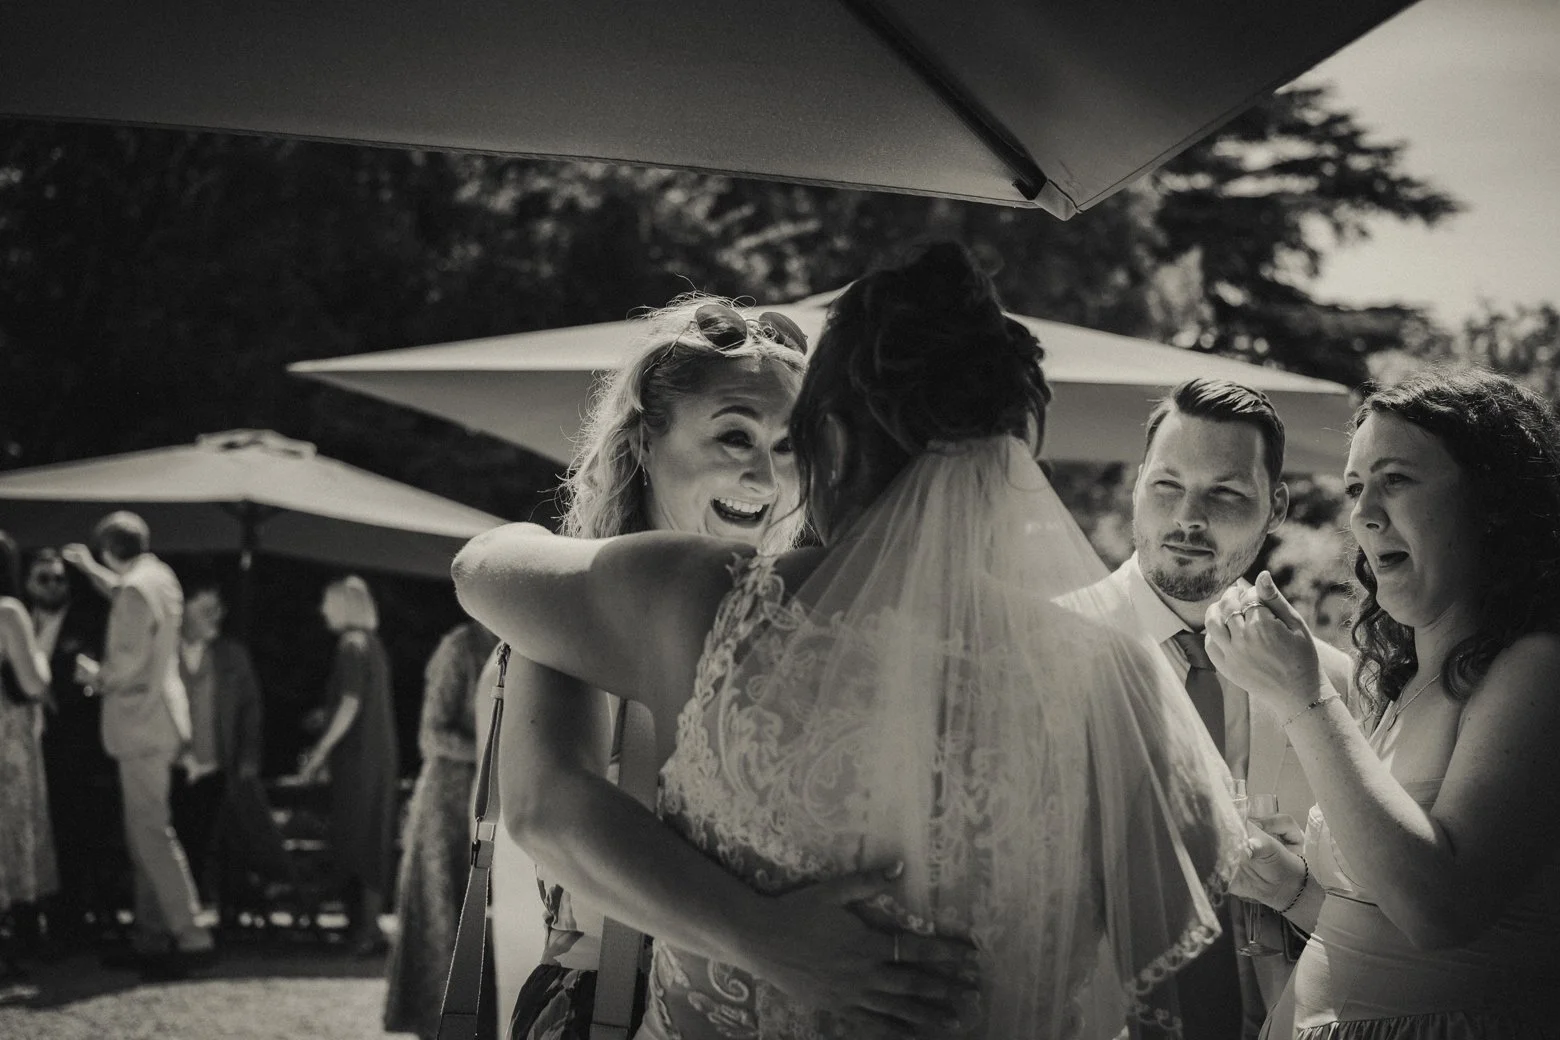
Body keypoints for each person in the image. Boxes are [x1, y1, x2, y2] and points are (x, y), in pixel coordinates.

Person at [456, 244, 1247, 1038]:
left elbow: (481, 566)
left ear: (828, 441)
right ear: (1015, 455)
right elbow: (1197, 1012)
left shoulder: (708, 605)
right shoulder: (1116, 679)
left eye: (789, 441)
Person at [1210, 368, 1560, 1038]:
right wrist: (1285, 886)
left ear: (1492, 501)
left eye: (1395, 479)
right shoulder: (1404, 686)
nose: (1363, 513)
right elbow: (1375, 932)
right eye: (1354, 488)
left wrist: (1302, 695)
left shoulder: (1538, 667)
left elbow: (1441, 911)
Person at [501, 295, 814, 1039]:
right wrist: (783, 944)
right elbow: (545, 817)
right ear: (644, 442)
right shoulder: (562, 602)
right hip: (614, 1007)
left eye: (789, 446)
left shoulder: (814, 620)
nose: (765, 477)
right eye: (734, 436)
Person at [1078, 378, 1353, 1039]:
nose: (1188, 518)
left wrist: (1296, 889)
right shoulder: (1047, 650)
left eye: (1225, 492)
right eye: (1166, 485)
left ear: (1275, 505)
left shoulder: (1331, 681)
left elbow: (1377, 926)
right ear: (1136, 485)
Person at [65, 511, 214, 975]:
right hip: (163, 720)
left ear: (109, 548)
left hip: (139, 724)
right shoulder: (159, 576)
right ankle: (150, 937)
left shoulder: (134, 589)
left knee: (150, 833)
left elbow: (126, 661)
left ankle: (191, 935)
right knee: (144, 834)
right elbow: (126, 592)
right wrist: (91, 569)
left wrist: (95, 676)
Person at [383, 618, 499, 1040]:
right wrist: (496, 753)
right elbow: (431, 735)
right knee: (443, 914)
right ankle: (438, 1024)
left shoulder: (526, 645)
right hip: (447, 804)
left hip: (490, 801)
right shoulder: (459, 647)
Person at [297, 575, 399, 956]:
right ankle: (367, 927)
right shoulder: (372, 644)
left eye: (328, 603)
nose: (323, 610)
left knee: (356, 840)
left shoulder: (350, 645)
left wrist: (319, 752)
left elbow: (351, 704)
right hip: (378, 759)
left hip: (358, 762)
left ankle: (364, 931)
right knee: (373, 838)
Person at [27, 547, 120, 951]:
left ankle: (67, 924)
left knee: (68, 831)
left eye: (60, 579)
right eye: (44, 578)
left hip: (69, 745)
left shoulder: (89, 624)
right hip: (21, 743)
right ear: (28, 582)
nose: (52, 586)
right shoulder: (16, 620)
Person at [171, 578, 264, 917]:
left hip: (216, 768)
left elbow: (250, 709)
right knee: (174, 843)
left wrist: (248, 760)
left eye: (218, 608)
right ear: (183, 610)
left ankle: (206, 914)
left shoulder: (232, 655)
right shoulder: (163, 651)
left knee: (210, 845)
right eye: (206, 610)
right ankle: (176, 915)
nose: (217, 616)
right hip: (170, 766)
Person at [0, 530, 56, 997]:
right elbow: (34, 683)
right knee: (11, 834)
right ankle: (14, 943)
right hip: (6, 738)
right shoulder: (8, 612)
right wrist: (40, 652)